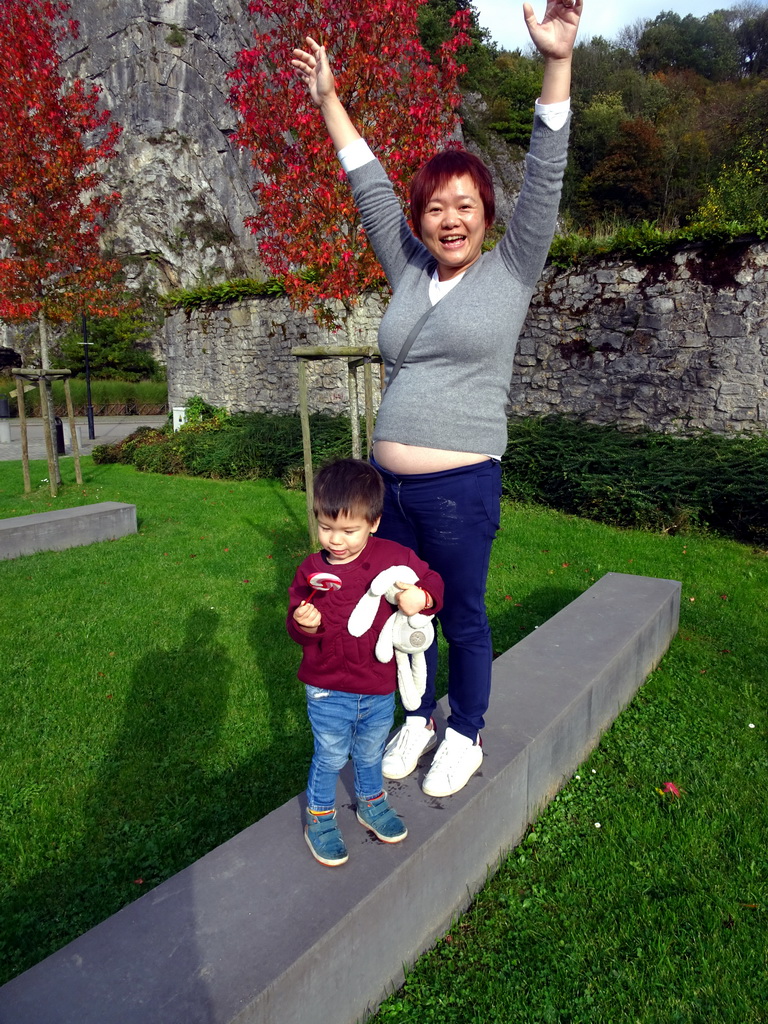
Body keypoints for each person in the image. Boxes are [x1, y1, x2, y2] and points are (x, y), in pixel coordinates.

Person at [292, 1, 582, 799]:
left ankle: (467, 730)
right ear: (421, 220)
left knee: (460, 615)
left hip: (460, 487)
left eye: (464, 205)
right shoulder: (409, 268)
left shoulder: (512, 269)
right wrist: (327, 99)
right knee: (398, 613)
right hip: (393, 495)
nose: (447, 219)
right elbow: (369, 184)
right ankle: (417, 718)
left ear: (488, 215)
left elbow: (548, 169)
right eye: (434, 207)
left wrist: (555, 59)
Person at [287, 458, 444, 866]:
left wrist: (422, 598)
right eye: (325, 527)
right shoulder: (311, 570)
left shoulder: (392, 557)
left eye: (348, 530)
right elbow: (296, 624)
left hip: (376, 685)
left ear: (373, 523)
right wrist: (305, 622)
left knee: (372, 751)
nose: (335, 540)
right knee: (331, 755)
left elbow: (433, 580)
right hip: (326, 687)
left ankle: (371, 804)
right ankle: (319, 818)